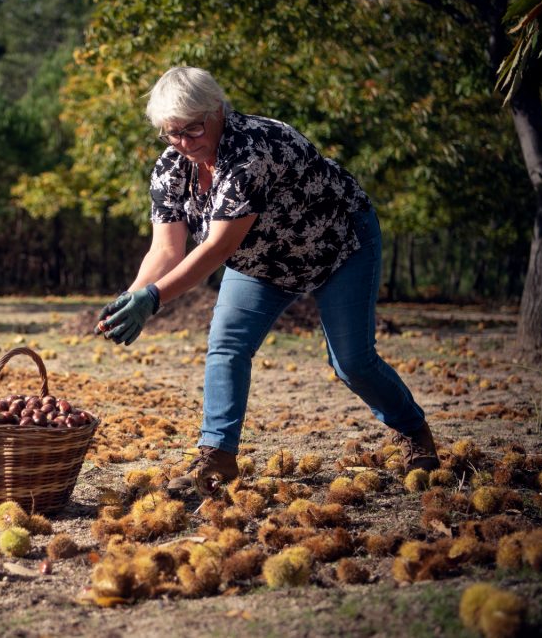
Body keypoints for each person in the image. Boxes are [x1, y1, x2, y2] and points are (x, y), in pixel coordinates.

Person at [95, 66, 440, 497]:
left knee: (351, 362)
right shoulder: (171, 167)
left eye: (194, 128)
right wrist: (133, 296)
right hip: (261, 261)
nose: (184, 142)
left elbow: (217, 249)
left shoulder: (252, 151)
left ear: (218, 109)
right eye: (172, 133)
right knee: (226, 346)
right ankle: (218, 454)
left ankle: (412, 429)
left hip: (335, 246)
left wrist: (156, 297)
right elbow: (166, 249)